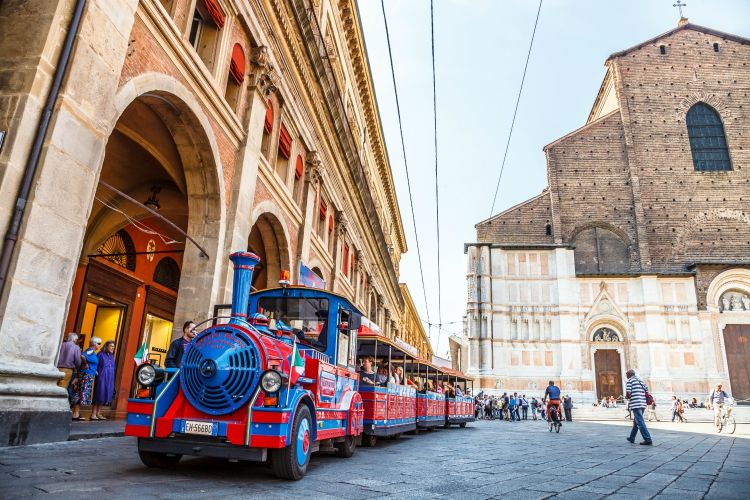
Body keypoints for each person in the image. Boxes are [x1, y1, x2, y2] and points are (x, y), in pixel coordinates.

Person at [72, 337, 101, 421]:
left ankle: (76, 413)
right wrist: (85, 364)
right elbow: (82, 356)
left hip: (89, 374)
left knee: (82, 393)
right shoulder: (90, 350)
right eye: (99, 343)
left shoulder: (93, 352)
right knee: (81, 393)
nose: (99, 345)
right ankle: (76, 413)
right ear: (94, 343)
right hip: (86, 375)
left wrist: (94, 370)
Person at [625, 369, 652, 445]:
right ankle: (632, 437)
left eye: (626, 374)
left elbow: (628, 393)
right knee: (636, 421)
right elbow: (646, 390)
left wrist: (627, 397)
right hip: (643, 403)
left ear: (630, 374)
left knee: (640, 422)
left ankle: (647, 439)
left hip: (636, 403)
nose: (626, 376)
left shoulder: (630, 381)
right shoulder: (640, 380)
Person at [92, 340, 116, 420]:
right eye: (111, 346)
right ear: (106, 346)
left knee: (104, 394)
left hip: (110, 378)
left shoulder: (112, 356)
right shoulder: (100, 354)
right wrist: (95, 371)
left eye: (113, 346)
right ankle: (93, 413)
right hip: (102, 377)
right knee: (99, 394)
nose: (113, 348)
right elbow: (95, 364)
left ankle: (99, 413)